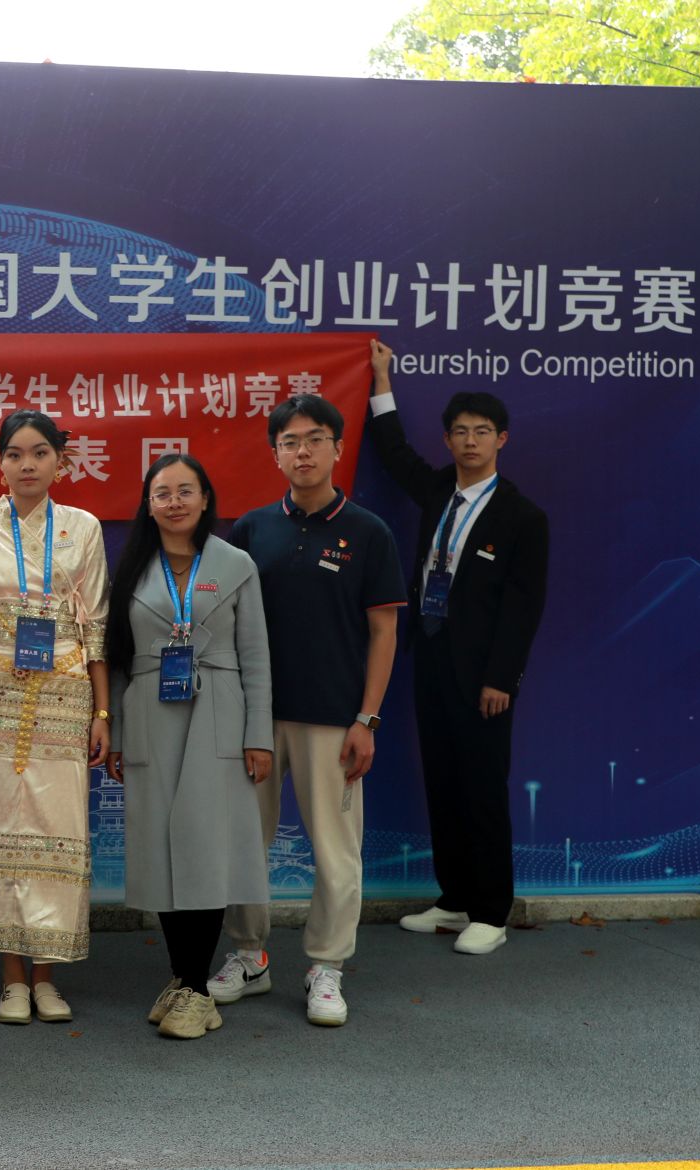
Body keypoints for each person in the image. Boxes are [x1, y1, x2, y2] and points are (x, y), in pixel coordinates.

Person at [207, 394, 404, 1028]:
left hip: (333, 719)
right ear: (275, 454)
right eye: (289, 442)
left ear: (338, 448)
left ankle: (326, 966)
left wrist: (367, 719)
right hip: (257, 717)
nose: (303, 451)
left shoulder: (368, 532)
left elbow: (384, 632)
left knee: (336, 852)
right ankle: (248, 954)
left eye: (315, 439)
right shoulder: (252, 529)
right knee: (244, 843)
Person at [367, 341, 549, 957]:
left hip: (483, 678)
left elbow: (524, 607)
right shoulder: (439, 489)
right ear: (447, 440)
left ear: (502, 439)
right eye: (461, 432)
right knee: (442, 783)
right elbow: (393, 452)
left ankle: (491, 912)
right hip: (431, 658)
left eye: (482, 431)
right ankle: (454, 899)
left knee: (482, 789)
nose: (471, 441)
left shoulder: (522, 517)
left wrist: (502, 678)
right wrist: (381, 378)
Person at [0, 411, 109, 1026]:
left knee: (55, 828)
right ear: (0, 462)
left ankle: (47, 975)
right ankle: (12, 978)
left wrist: (102, 711)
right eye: (14, 454)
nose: (27, 464)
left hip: (64, 693)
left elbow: (96, 625)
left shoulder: (83, 527)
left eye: (40, 453)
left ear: (61, 461)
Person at [106, 453, 273, 1041]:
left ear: (205, 499)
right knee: (161, 850)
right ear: (147, 504)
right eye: (162, 493)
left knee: (205, 849)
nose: (174, 502)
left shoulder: (235, 564)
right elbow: (118, 659)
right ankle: (183, 979)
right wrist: (117, 736)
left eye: (185, 490)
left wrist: (258, 736)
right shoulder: (131, 569)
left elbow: (256, 656)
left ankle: (198, 990)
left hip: (218, 715)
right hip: (150, 714)